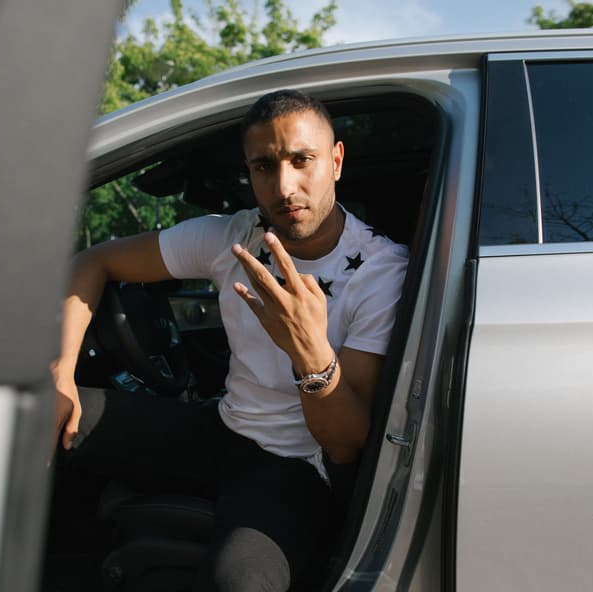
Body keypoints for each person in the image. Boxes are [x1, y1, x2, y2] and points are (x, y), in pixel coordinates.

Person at [50, 89, 409, 591]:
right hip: (223, 429)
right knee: (29, 416)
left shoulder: (380, 272)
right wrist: (61, 371)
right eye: (264, 166)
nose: (284, 186)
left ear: (336, 160)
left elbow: (346, 443)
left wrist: (307, 351)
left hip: (296, 467)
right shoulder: (234, 237)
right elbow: (95, 261)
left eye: (301, 160)